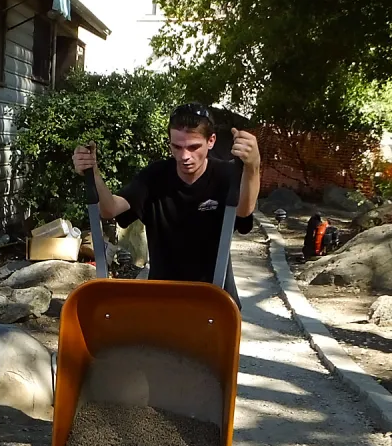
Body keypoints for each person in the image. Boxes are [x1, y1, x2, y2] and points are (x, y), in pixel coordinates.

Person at [72, 103, 262, 305]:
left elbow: (243, 210)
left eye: (193, 147)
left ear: (211, 141)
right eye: (177, 147)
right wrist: (93, 172)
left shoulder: (225, 175)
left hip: (216, 298)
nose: (184, 156)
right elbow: (109, 209)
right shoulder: (156, 176)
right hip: (163, 298)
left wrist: (253, 166)